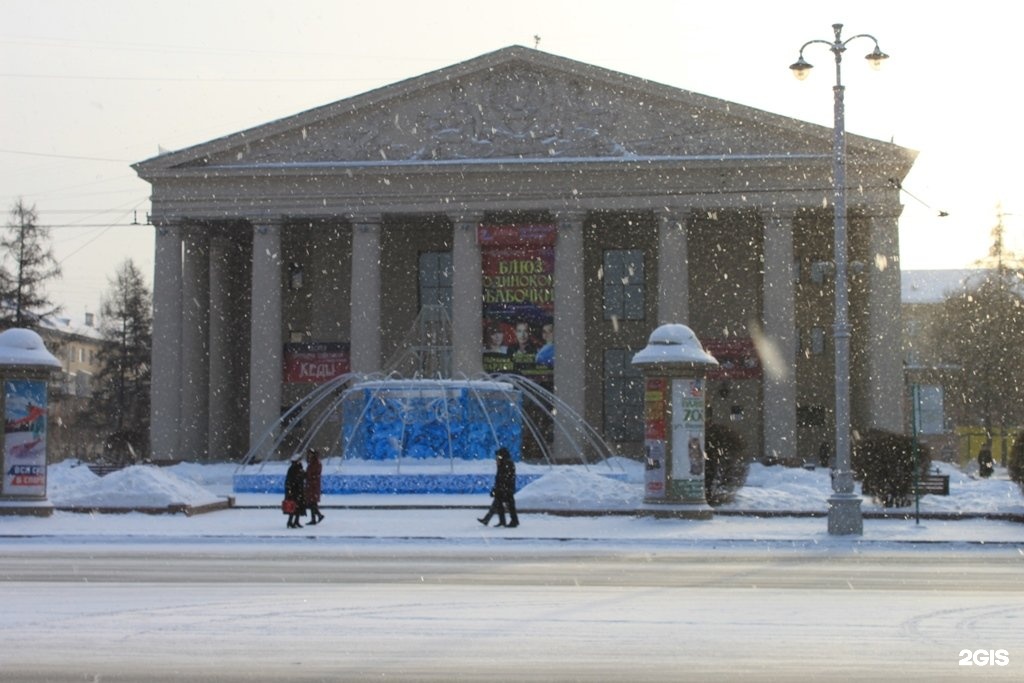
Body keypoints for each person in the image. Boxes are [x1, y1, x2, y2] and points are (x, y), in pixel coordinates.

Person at [477, 446, 519, 528]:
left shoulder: (506, 463)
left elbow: (503, 477)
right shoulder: (505, 463)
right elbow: (501, 478)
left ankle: (511, 521)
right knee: (500, 504)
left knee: (506, 505)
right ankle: (499, 520)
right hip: (504, 488)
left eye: (499, 456)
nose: (497, 458)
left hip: (505, 488)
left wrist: (499, 488)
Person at [284, 454, 306, 529]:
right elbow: (291, 480)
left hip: (298, 490)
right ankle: (290, 521)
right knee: (294, 507)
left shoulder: (298, 468)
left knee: (297, 507)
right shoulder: (293, 469)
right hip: (295, 491)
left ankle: (295, 521)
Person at [305, 448, 325, 525]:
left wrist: (306, 475)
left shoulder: (315, 463)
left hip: (313, 486)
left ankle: (319, 516)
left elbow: (313, 474)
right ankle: (314, 518)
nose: (309, 455)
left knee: (312, 503)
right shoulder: (313, 462)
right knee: (312, 503)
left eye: (310, 454)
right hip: (312, 485)